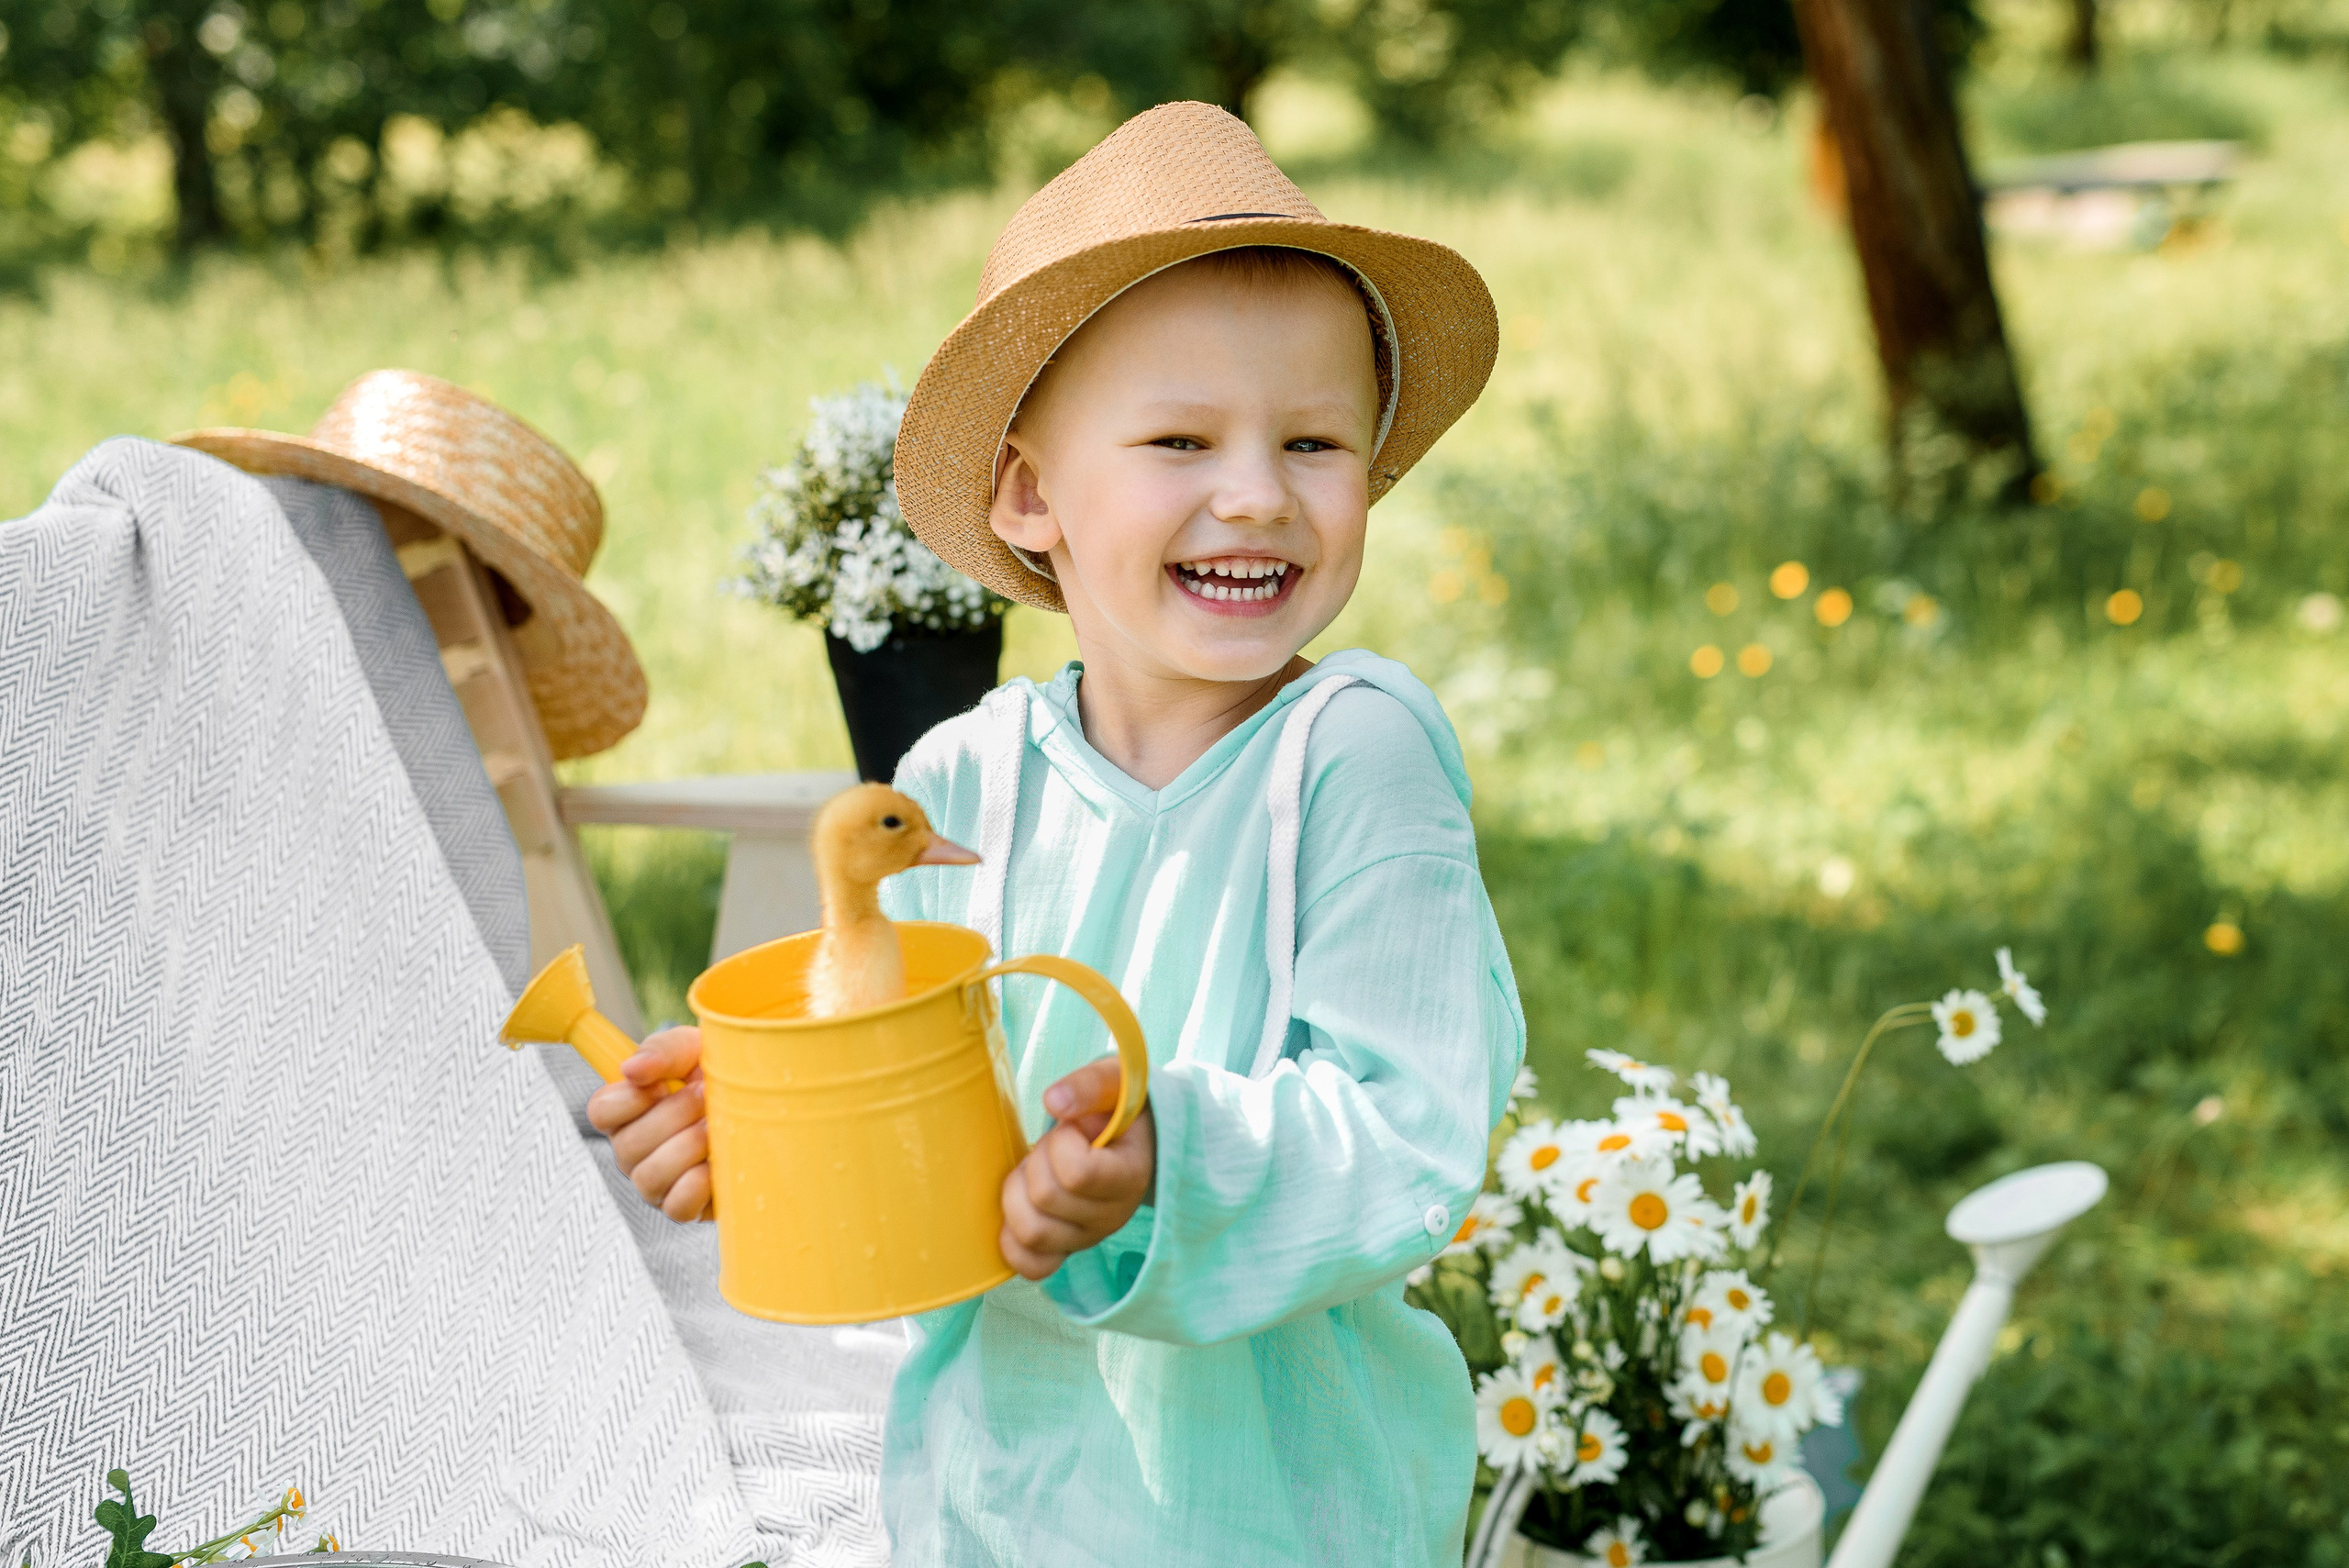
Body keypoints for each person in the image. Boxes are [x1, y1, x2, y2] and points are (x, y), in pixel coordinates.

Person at [589, 100, 1526, 1565]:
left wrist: (1167, 1160)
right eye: (1180, 438)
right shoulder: (963, 785)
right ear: (1032, 493)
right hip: (997, 1496)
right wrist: (772, 1125)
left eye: (1314, 440)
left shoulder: (1355, 755)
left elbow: (1408, 1133)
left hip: (1273, 1511)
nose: (1256, 494)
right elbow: (917, 1144)